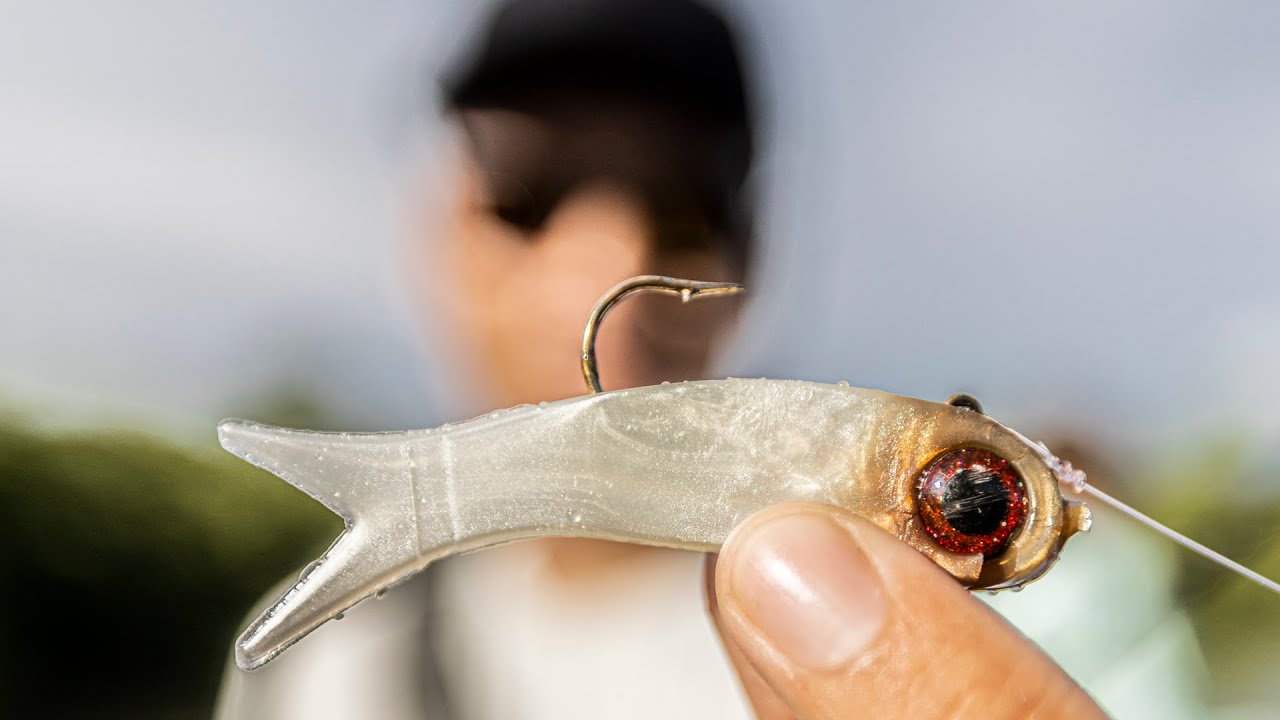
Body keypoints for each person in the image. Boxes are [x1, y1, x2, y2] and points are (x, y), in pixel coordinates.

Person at [218, 1, 1105, 717]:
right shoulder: (319, 677)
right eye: (525, 194)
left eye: (689, 213)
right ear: (434, 226)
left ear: (752, 257)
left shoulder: (1046, 638)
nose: (600, 270)